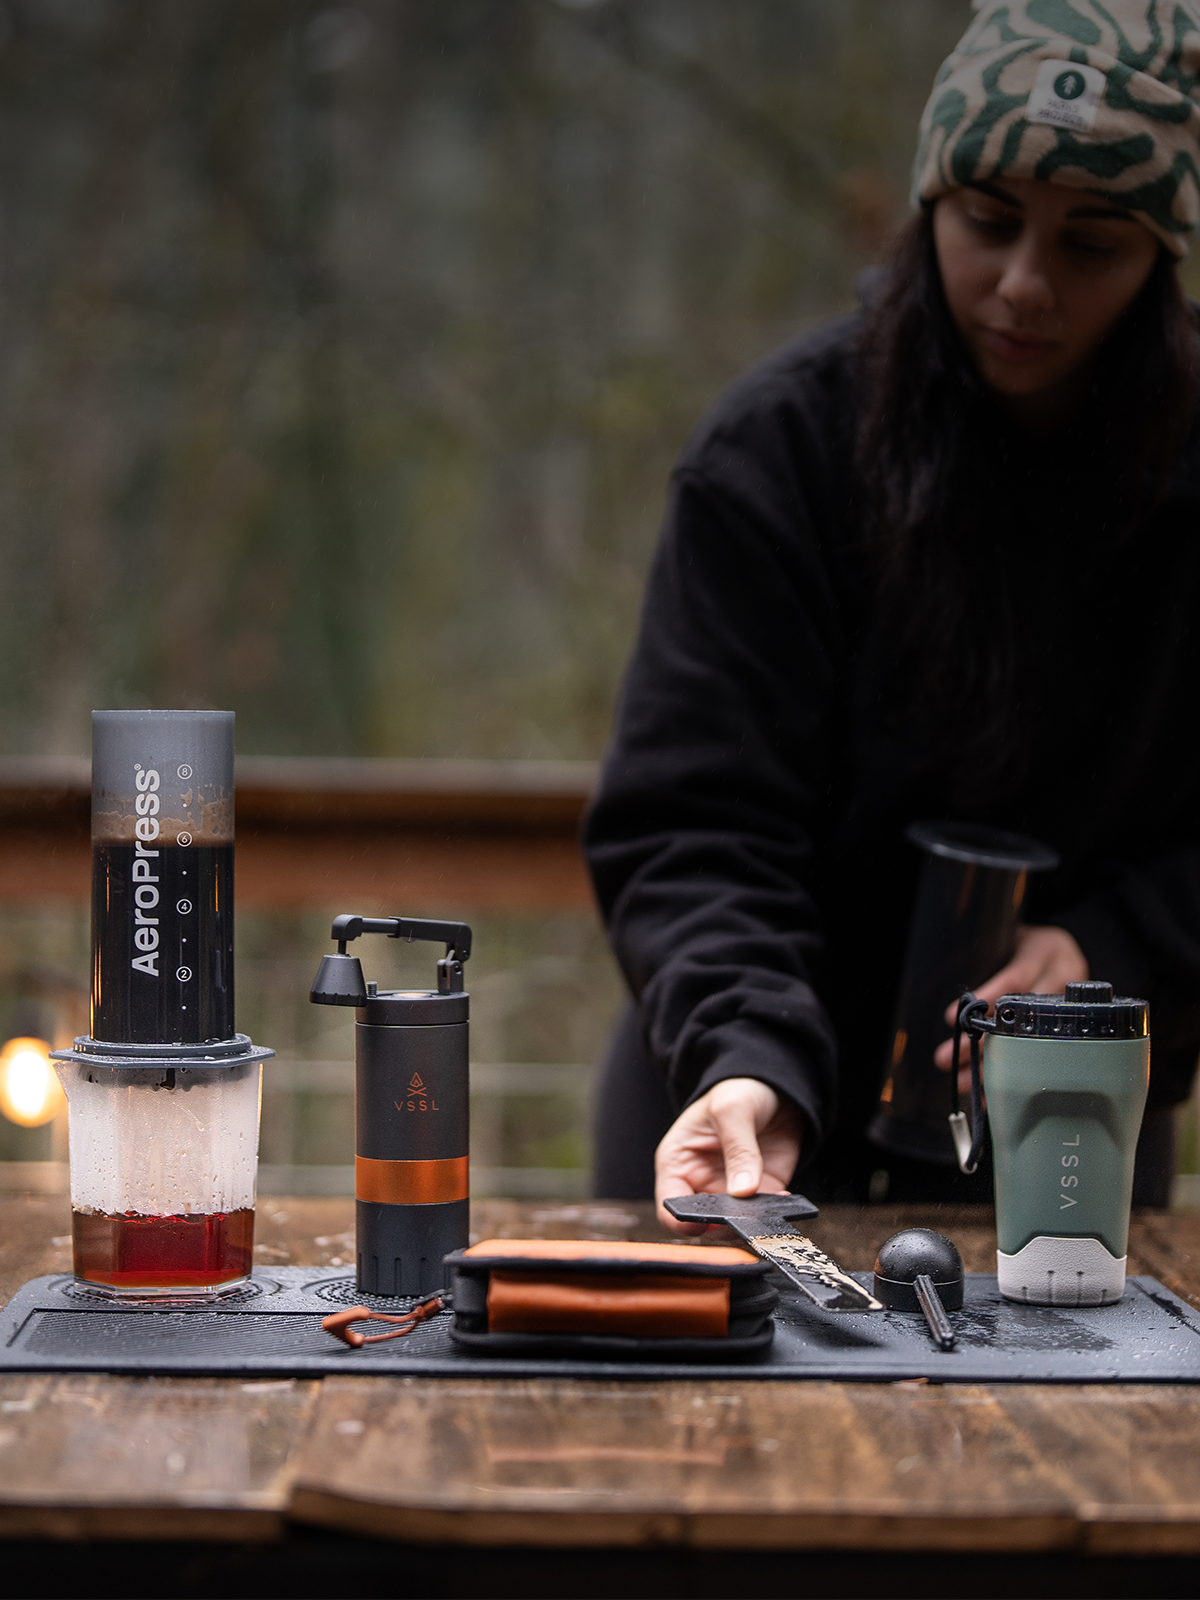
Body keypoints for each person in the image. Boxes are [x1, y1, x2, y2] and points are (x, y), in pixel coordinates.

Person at [583, 0, 1200, 1228]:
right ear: (928, 209)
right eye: (989, 221)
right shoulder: (774, 456)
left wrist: (1107, 953)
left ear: (1160, 260)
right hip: (739, 1100)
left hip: (1061, 1127)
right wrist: (749, 1053)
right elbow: (690, 823)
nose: (1023, 285)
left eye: (1091, 244)